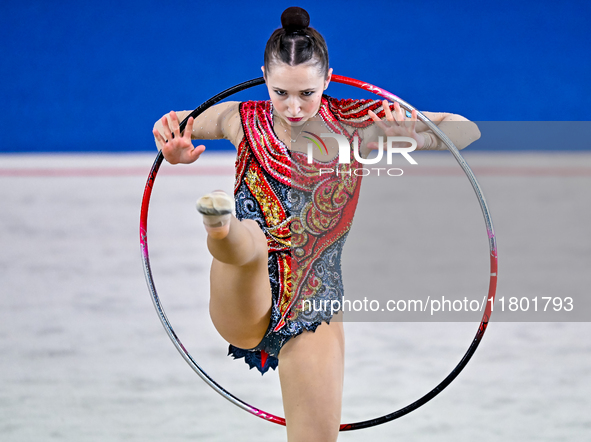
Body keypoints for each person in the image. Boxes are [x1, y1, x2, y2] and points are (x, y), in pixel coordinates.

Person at [152, 7, 480, 442]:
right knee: (251, 243)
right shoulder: (242, 120)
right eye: (280, 92)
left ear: (328, 80)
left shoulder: (358, 123)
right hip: (243, 299)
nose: (292, 107)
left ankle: (226, 229)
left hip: (315, 302)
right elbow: (180, 123)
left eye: (306, 93)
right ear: (263, 79)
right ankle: (220, 226)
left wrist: (415, 133)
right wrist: (171, 144)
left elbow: (466, 131)